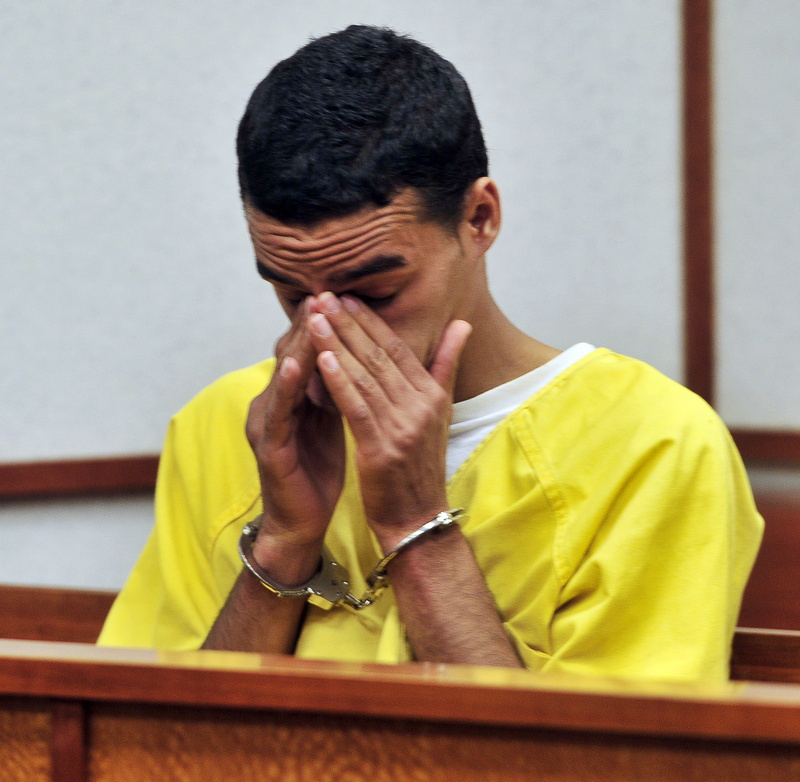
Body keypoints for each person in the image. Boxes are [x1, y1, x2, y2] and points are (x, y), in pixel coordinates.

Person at [98, 25, 763, 680]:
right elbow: (157, 742)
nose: (326, 329)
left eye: (376, 292)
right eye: (292, 294)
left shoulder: (653, 448)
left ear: (479, 220)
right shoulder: (227, 424)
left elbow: (604, 760)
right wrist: (282, 543)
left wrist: (416, 525)